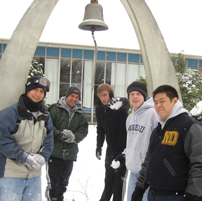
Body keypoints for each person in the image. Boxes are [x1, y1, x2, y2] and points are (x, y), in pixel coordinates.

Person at [131, 85, 202, 201]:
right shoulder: (158, 130)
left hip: (178, 196)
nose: (158, 105)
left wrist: (192, 196)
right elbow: (149, 161)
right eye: (155, 102)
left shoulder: (190, 127)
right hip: (154, 194)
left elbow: (199, 165)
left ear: (174, 101)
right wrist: (139, 188)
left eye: (162, 101)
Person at [0, 76, 53, 201]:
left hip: (34, 176)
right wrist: (24, 157)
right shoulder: (10, 113)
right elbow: (4, 141)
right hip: (10, 174)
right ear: (27, 90)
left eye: (42, 92)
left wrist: (43, 156)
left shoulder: (45, 116)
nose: (38, 94)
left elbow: (49, 141)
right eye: (35, 90)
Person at [46, 86, 88, 201]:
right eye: (72, 96)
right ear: (67, 96)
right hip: (54, 153)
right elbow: (47, 125)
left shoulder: (80, 114)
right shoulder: (54, 109)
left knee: (63, 185)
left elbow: (84, 130)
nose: (74, 99)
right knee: (54, 185)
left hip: (70, 154)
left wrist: (74, 137)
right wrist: (58, 133)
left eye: (77, 97)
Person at [95, 83, 130, 201]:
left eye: (105, 95)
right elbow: (100, 128)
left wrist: (124, 102)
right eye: (100, 96)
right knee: (108, 179)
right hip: (110, 148)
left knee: (119, 181)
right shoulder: (99, 109)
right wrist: (99, 146)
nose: (103, 98)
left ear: (110, 94)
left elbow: (125, 104)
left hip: (123, 148)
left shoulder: (117, 105)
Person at [124, 81, 158, 201]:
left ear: (144, 95)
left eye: (138, 93)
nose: (135, 97)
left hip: (147, 173)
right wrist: (125, 155)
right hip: (133, 171)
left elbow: (158, 142)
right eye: (132, 94)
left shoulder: (153, 114)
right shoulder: (130, 118)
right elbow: (132, 143)